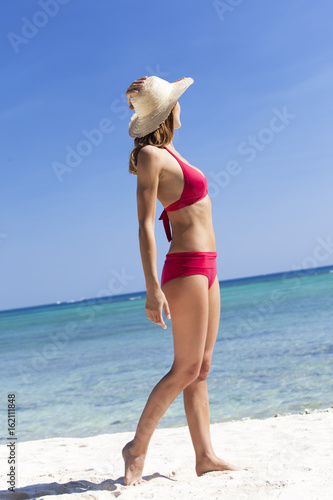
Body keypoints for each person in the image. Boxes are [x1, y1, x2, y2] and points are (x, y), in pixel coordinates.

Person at [122, 75, 246, 486]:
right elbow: (144, 226)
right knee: (185, 367)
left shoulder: (173, 152)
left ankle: (205, 455)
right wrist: (152, 288)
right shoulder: (150, 157)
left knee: (203, 368)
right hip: (186, 267)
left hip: (208, 265)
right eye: (176, 100)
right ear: (167, 110)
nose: (181, 105)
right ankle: (136, 447)